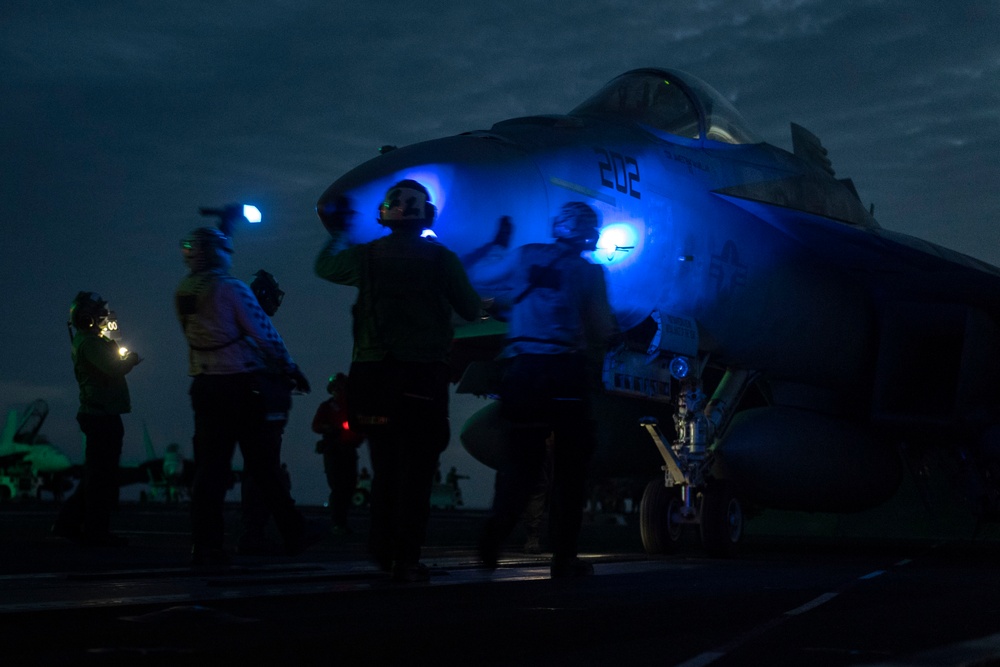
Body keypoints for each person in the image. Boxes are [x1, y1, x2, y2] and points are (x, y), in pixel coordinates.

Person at [315, 183, 482, 583]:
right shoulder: (442, 259)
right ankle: (407, 556)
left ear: (385, 215)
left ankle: (381, 548)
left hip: (372, 376)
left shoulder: (365, 257)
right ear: (427, 216)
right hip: (422, 377)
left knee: (385, 467)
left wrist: (338, 232)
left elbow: (325, 267)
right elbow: (471, 309)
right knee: (419, 470)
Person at [467, 202, 620, 578]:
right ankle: (564, 558)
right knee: (571, 471)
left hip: (522, 373)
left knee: (520, 466)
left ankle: (491, 542)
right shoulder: (588, 272)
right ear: (590, 233)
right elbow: (603, 328)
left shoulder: (525, 256)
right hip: (565, 373)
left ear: (558, 227)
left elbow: (478, 275)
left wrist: (497, 244)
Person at [175, 227, 314, 567]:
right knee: (264, 468)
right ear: (219, 252)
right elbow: (264, 333)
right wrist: (291, 367)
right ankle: (294, 532)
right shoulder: (231, 288)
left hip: (204, 385)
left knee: (209, 472)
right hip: (239, 386)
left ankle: (206, 544)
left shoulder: (184, 290)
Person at [52, 292, 142, 546]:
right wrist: (131, 360)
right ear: (87, 317)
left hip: (102, 414)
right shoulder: (90, 343)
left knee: (97, 476)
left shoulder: (92, 340)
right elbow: (114, 367)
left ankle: (68, 525)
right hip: (101, 416)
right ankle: (95, 532)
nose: (105, 317)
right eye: (99, 313)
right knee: (101, 478)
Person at [237, 269, 294, 555]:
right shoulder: (255, 328)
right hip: (262, 410)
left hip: (260, 407)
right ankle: (255, 533)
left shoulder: (245, 323)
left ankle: (256, 531)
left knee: (260, 472)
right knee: (263, 472)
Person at [312, 373, 365, 535]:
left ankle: (341, 522)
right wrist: (329, 428)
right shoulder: (327, 407)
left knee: (348, 487)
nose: (340, 391)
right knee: (337, 487)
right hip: (333, 451)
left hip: (349, 450)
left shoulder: (353, 408)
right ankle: (337, 522)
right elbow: (316, 425)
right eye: (338, 388)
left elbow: (362, 427)